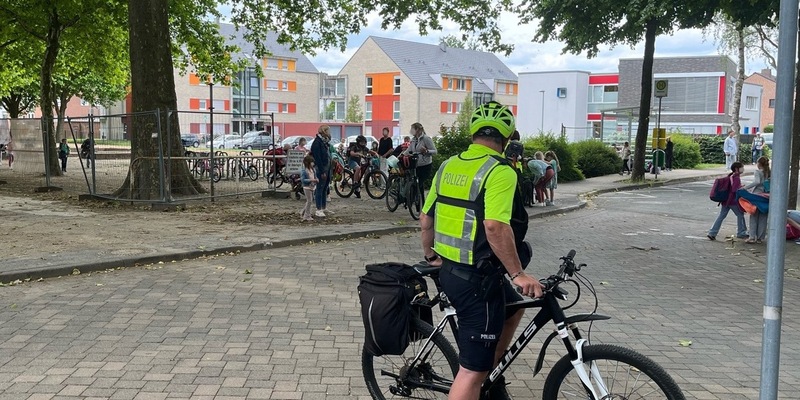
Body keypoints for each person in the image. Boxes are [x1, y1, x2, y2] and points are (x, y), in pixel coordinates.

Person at [419, 101, 543, 400]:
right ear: (509, 136)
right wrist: (518, 273)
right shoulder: (501, 171)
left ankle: (489, 373)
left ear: (472, 132)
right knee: (470, 372)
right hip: (475, 282)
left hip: (452, 270)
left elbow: (426, 219)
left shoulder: (448, 165)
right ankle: (477, 376)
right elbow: (495, 227)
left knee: (513, 309)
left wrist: (431, 256)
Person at [708, 161, 748, 241]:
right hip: (732, 201)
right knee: (740, 215)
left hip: (725, 200)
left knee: (721, 216)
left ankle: (712, 232)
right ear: (737, 169)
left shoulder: (731, 176)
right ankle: (741, 232)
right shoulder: (736, 177)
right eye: (741, 167)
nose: (743, 169)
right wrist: (741, 188)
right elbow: (734, 189)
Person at [403, 122, 437, 198]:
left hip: (425, 165)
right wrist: (401, 156)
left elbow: (435, 151)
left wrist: (426, 151)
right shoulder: (413, 140)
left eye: (412, 129)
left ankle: (411, 199)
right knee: (418, 185)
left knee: (418, 183)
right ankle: (421, 203)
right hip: (416, 165)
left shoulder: (426, 139)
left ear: (417, 129)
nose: (411, 131)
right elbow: (409, 150)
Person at [742, 156, 771, 243]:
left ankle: (752, 237)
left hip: (757, 195)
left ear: (759, 164)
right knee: (763, 217)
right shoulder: (769, 172)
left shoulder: (758, 172)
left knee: (754, 216)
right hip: (767, 196)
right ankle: (760, 238)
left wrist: (745, 188)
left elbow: (757, 182)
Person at [311, 125, 332, 217]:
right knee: (320, 188)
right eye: (328, 131)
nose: (329, 133)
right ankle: (318, 209)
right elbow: (318, 158)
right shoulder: (317, 143)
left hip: (327, 167)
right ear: (324, 131)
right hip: (321, 168)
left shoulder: (324, 142)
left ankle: (324, 207)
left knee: (325, 187)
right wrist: (322, 170)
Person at [300, 155, 318, 222]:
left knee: (310, 201)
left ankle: (303, 212)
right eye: (311, 162)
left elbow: (315, 176)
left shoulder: (313, 170)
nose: (313, 163)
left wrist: (316, 179)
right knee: (309, 201)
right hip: (307, 187)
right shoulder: (304, 171)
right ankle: (306, 215)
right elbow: (303, 180)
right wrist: (312, 180)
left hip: (313, 186)